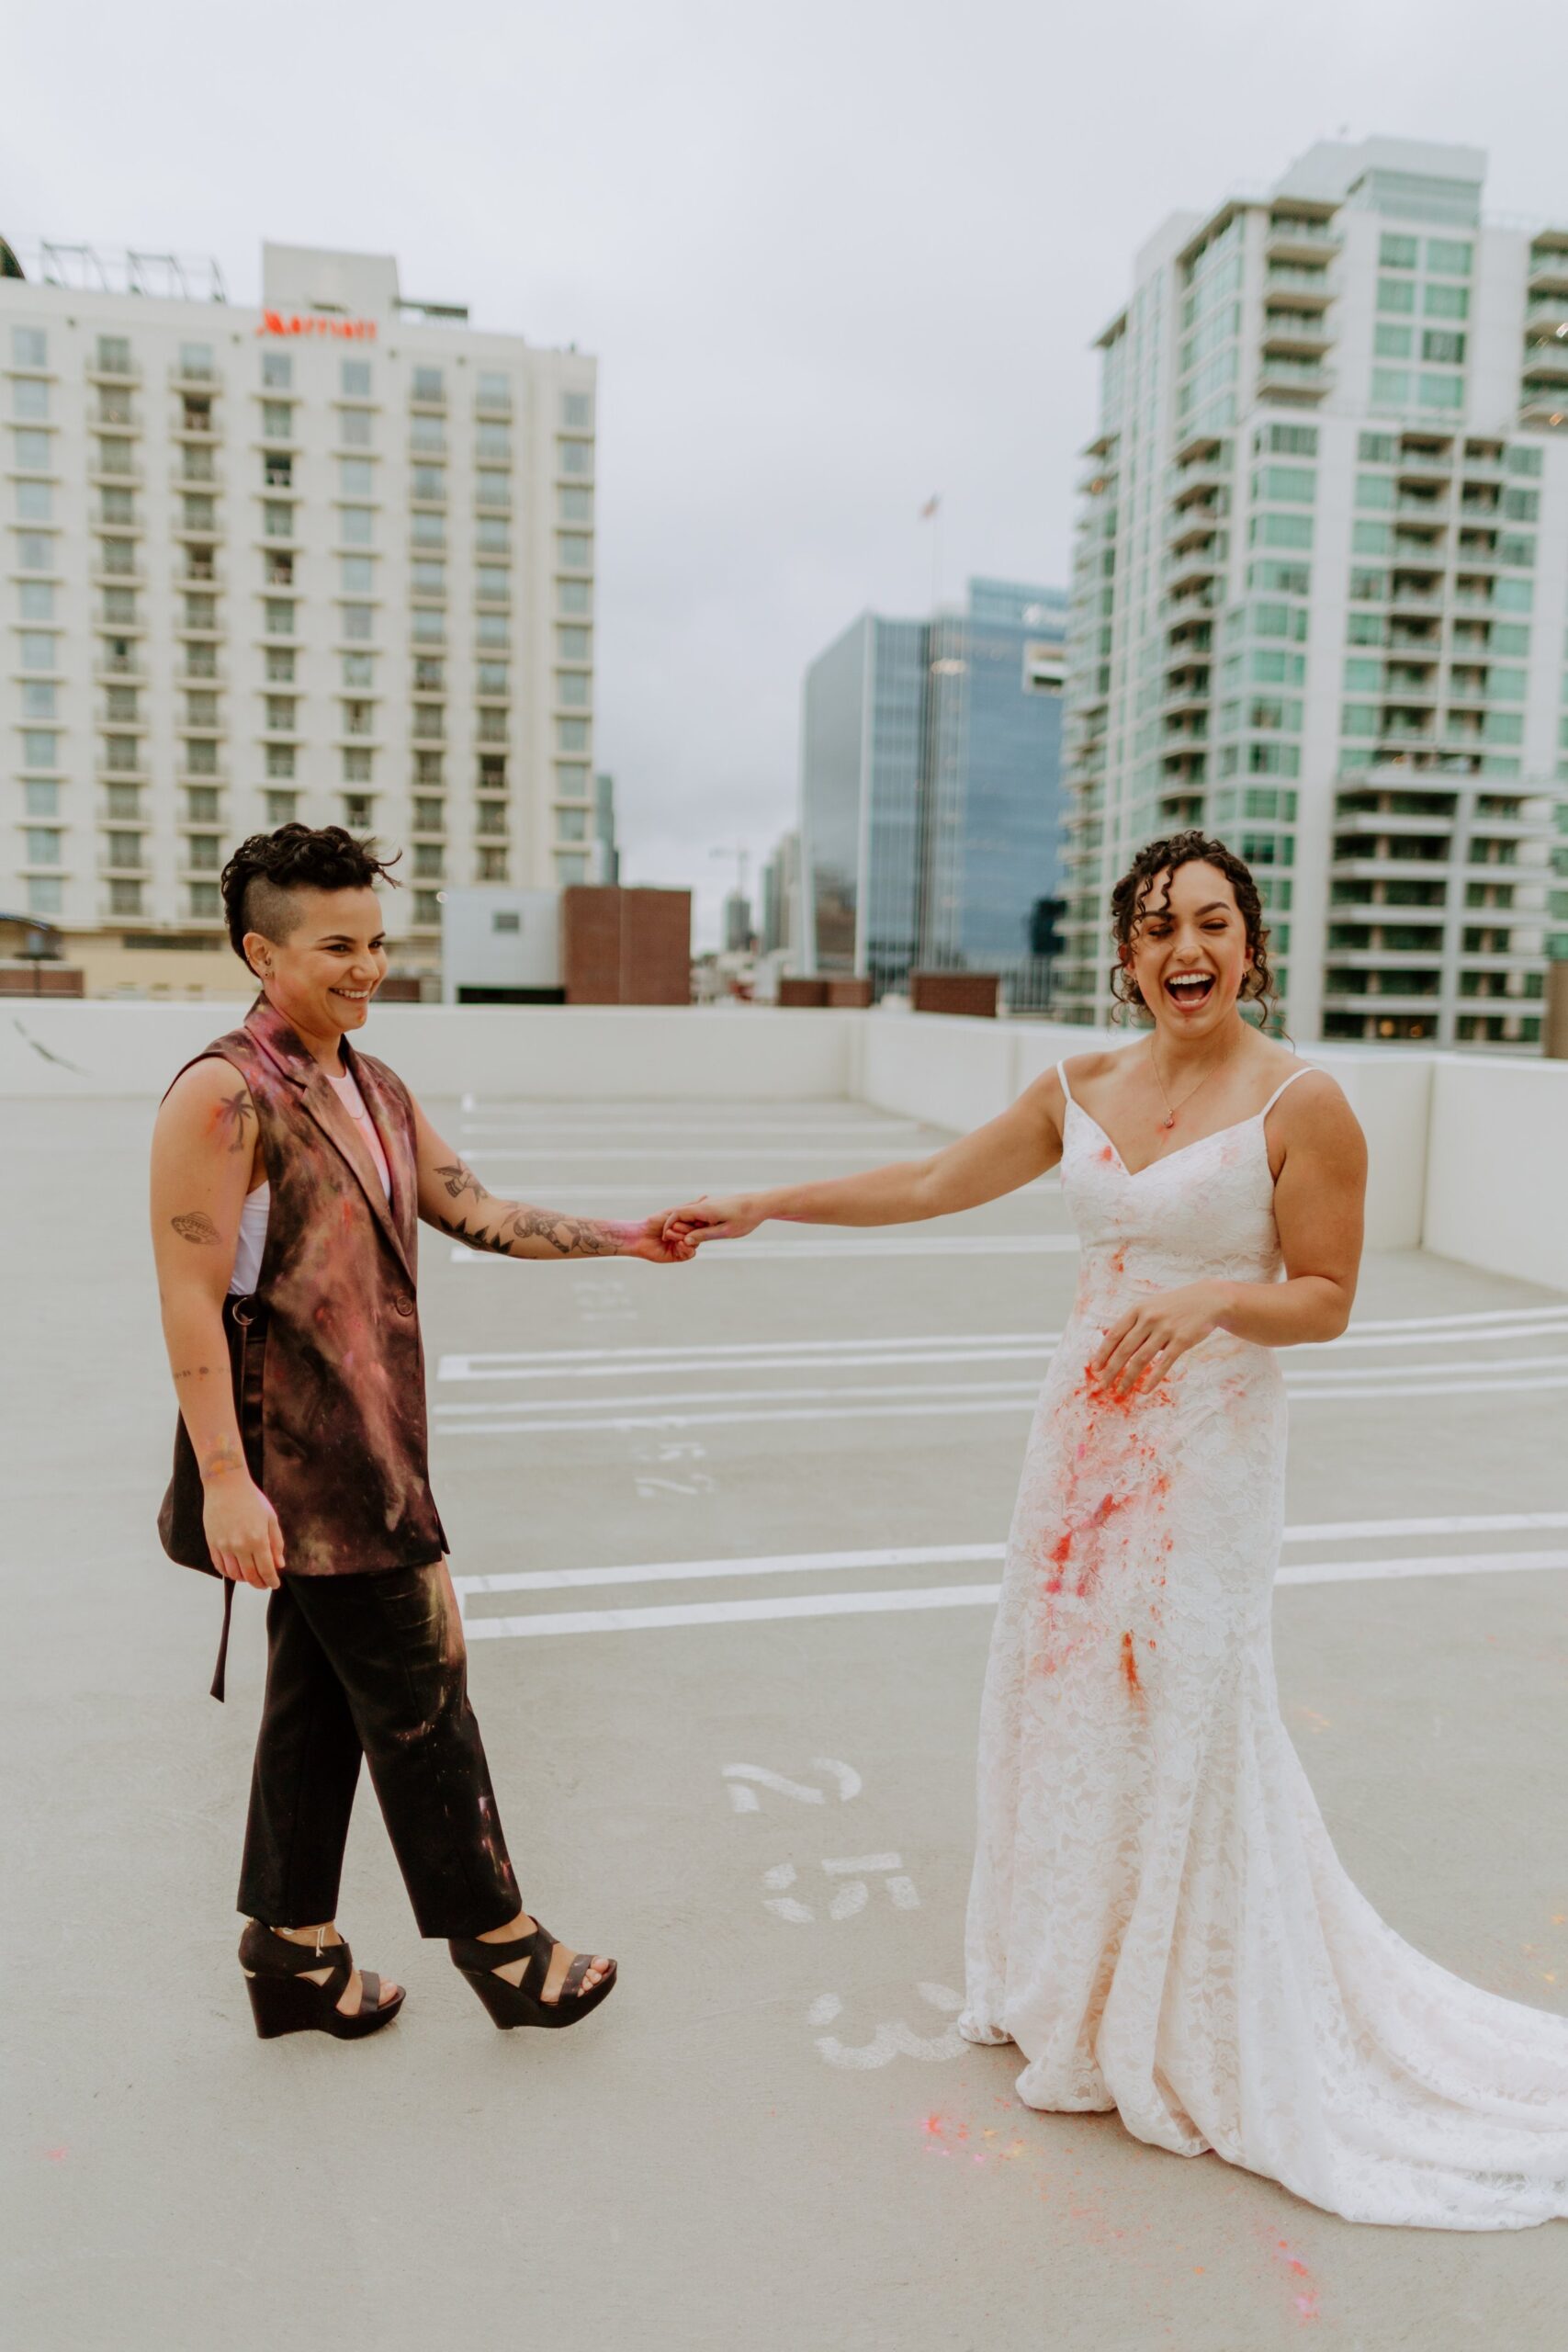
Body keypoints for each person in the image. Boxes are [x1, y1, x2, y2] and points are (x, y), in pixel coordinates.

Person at [663, 830, 1568, 2229]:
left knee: (1186, 1699)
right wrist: (757, 1205)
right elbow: (922, 1187)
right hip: (1082, 1438)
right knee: (1069, 1694)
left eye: (1210, 923)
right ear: (1128, 956)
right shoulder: (1077, 1084)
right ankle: (1079, 1985)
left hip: (1208, 1451)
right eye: (1156, 929)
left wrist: (1214, 1299)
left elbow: (1327, 1294)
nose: (1184, 949)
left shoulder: (1304, 1101)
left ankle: (1181, 1998)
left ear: (1251, 946)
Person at [151, 824, 693, 2041]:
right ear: (260, 951)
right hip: (301, 1470)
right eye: (337, 945)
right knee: (422, 1694)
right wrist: (229, 1486)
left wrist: (626, 1235)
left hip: (378, 1449)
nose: (367, 966)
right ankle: (502, 1947)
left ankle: (290, 1949)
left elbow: (476, 1210)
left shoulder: (375, 1088)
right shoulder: (224, 1095)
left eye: (377, 941)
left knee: (323, 1699)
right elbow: (186, 1296)